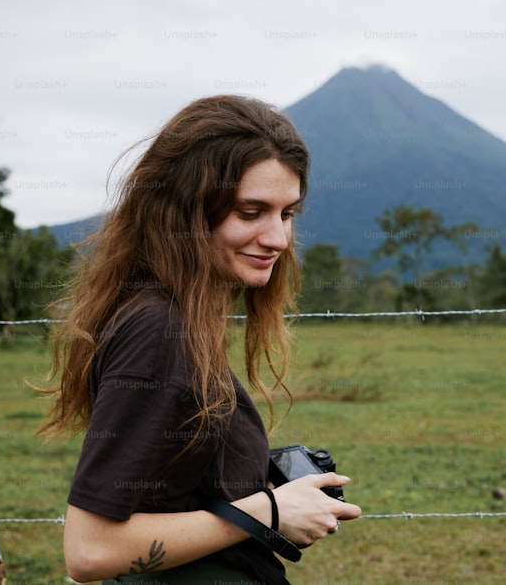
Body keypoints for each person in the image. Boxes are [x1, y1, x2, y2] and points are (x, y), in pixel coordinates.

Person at [38, 95, 361, 584]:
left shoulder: (180, 321)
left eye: (287, 214)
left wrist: (254, 484)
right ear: (183, 214)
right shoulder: (159, 331)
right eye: (250, 211)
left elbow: (164, 492)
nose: (277, 239)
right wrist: (268, 510)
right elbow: (91, 550)